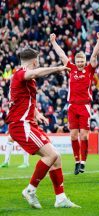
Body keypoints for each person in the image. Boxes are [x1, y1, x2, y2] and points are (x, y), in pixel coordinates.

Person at [6, 47, 79, 208]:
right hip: (21, 125)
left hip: (28, 122)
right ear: (34, 61)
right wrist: (58, 68)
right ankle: (30, 190)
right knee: (51, 155)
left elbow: (24, 99)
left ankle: (60, 198)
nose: (38, 63)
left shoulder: (21, 78)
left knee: (56, 157)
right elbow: (35, 73)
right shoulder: (21, 73)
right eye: (37, 60)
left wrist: (37, 113)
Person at [50, 32, 99, 175]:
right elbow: (61, 55)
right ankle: (76, 161)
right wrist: (54, 42)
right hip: (72, 106)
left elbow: (94, 55)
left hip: (85, 106)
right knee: (73, 135)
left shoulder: (89, 70)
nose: (80, 63)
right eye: (78, 61)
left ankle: (83, 162)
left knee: (84, 136)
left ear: (85, 61)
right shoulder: (71, 68)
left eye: (82, 61)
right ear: (75, 61)